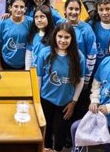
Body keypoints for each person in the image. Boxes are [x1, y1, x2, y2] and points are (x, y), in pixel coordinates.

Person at [36, 23, 84, 152]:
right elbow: (38, 77)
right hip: (45, 100)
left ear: (72, 39)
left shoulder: (78, 57)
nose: (63, 40)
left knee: (60, 132)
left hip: (65, 103)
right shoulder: (45, 53)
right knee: (45, 130)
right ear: (54, 36)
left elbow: (80, 80)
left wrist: (73, 102)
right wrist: (37, 101)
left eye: (67, 37)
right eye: (60, 36)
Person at [0, 0, 33, 70]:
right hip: (6, 63)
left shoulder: (30, 22)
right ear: (10, 8)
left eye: (22, 7)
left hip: (25, 64)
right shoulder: (2, 22)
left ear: (25, 9)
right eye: (16, 6)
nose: (19, 9)